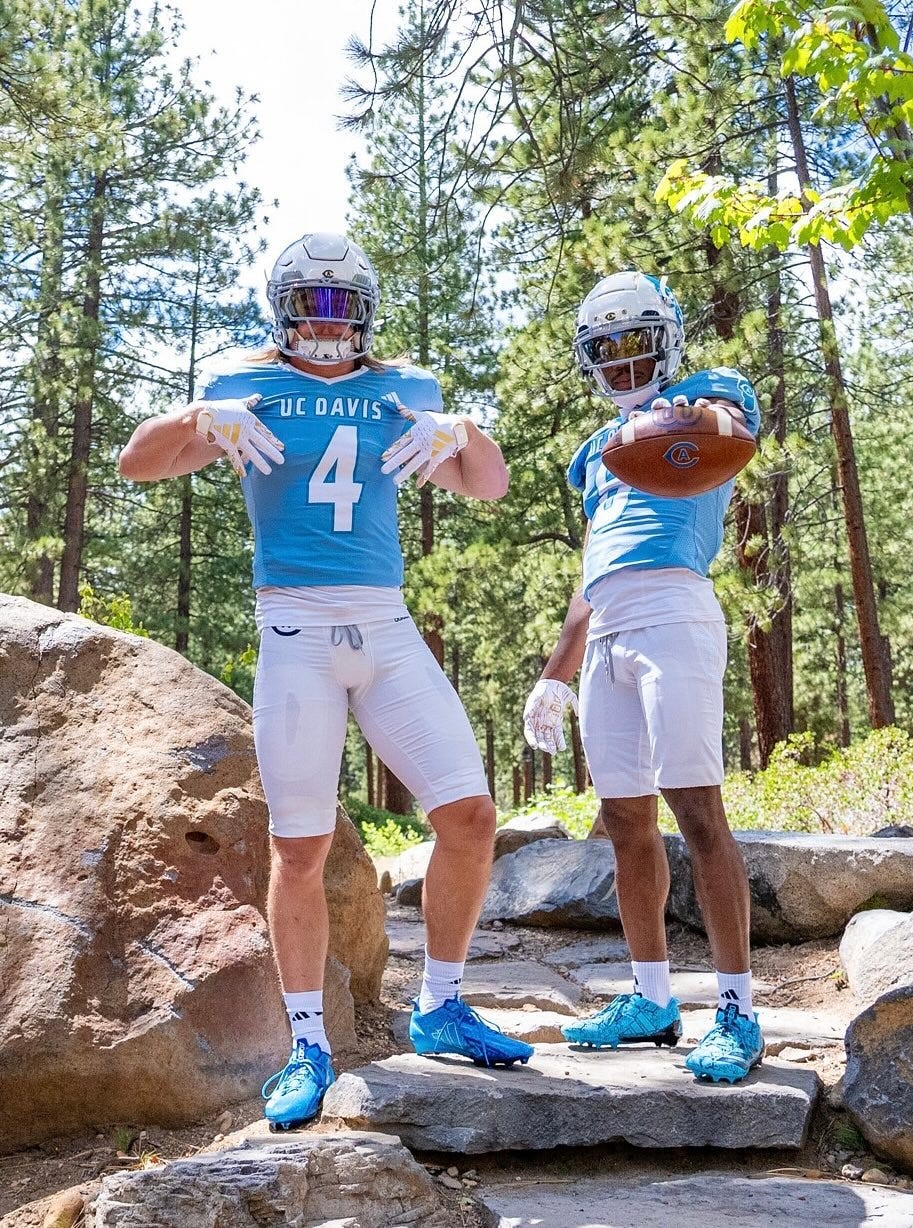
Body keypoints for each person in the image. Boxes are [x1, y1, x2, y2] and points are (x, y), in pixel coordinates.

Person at [119, 232, 532, 1132]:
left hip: (386, 624)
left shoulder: (404, 388)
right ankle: (307, 1044)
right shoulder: (245, 382)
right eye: (312, 304)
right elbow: (136, 462)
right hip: (295, 630)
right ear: (281, 309)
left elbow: (488, 486)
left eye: (343, 306)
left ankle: (441, 1005)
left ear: (366, 312)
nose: (328, 322)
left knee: (469, 817)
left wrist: (465, 431)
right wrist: (199, 419)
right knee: (299, 847)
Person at [522, 270, 764, 1084]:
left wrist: (691, 411)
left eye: (635, 342)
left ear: (665, 341)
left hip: (673, 611)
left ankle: (736, 1011)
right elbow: (594, 564)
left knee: (695, 809)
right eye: (606, 348)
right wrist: (556, 671)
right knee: (623, 819)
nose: (622, 361)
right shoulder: (598, 450)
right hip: (609, 627)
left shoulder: (703, 397)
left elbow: (727, 424)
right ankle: (652, 998)